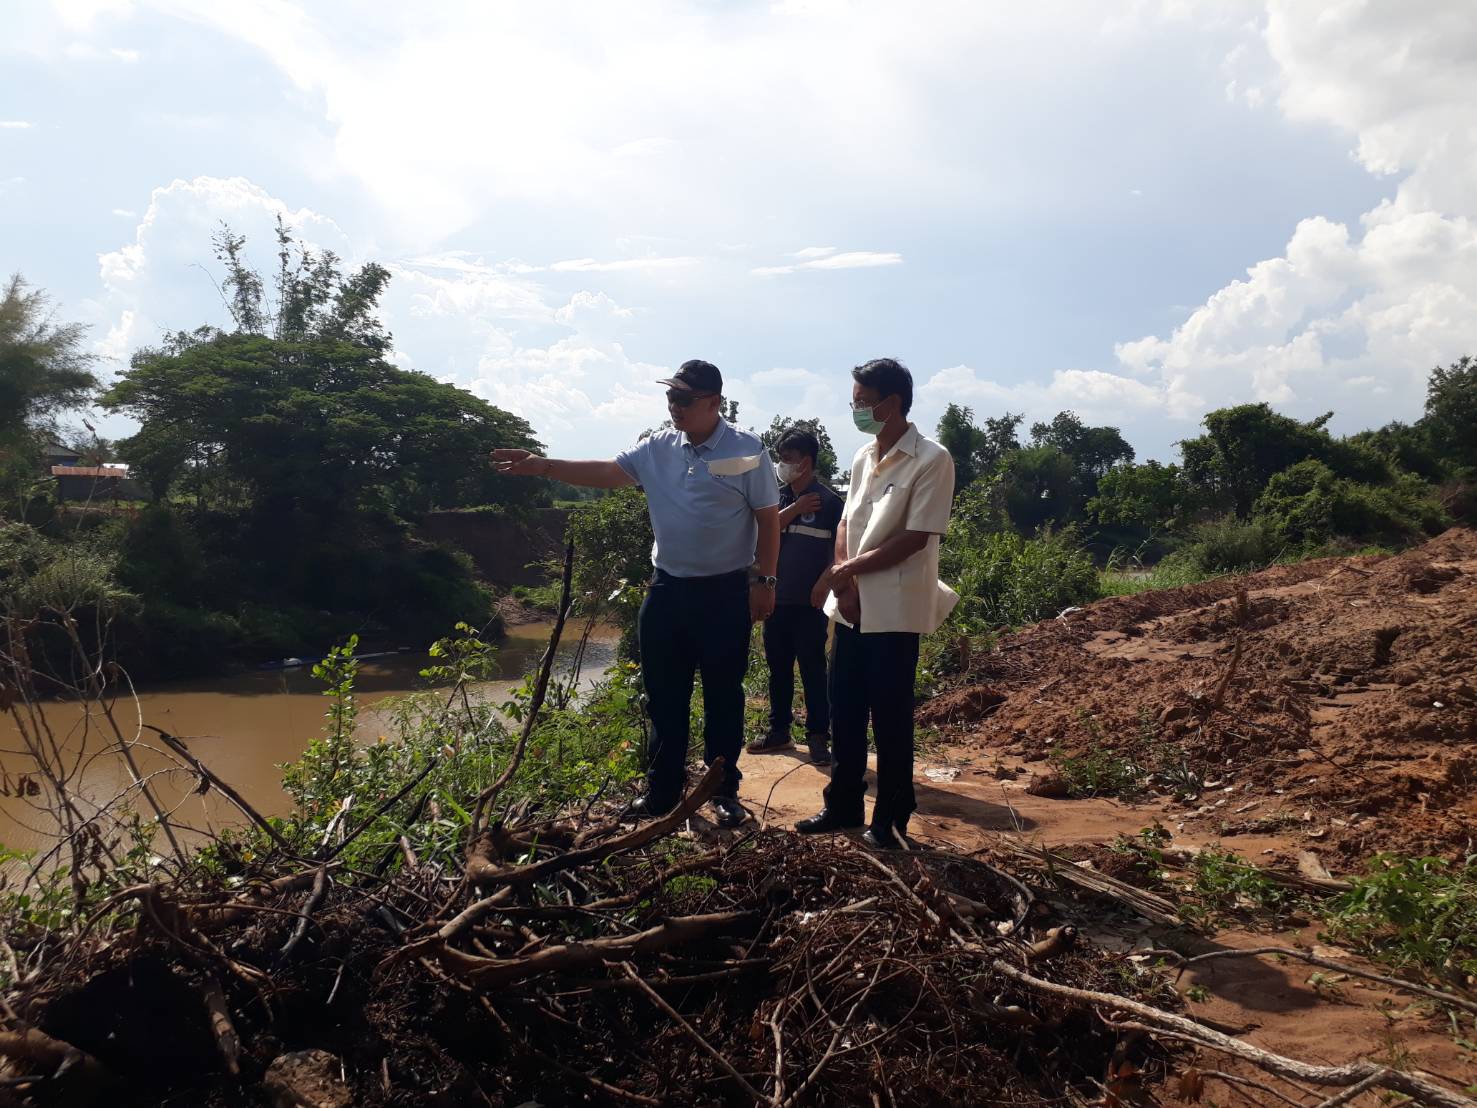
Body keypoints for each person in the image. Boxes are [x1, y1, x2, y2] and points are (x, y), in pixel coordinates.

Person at [492, 360, 780, 829]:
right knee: (662, 695)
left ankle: (723, 790)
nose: (674, 406)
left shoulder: (747, 451)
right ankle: (662, 791)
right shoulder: (658, 448)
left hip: (725, 592)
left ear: (714, 402)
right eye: (670, 397)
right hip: (667, 590)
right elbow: (609, 471)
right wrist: (543, 466)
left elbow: (768, 518)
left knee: (723, 695)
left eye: (684, 398)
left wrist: (765, 582)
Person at [796, 358, 956, 848]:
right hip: (850, 607)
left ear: (893, 402)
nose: (857, 410)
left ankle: (891, 817)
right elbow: (847, 522)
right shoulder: (864, 456)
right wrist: (844, 581)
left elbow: (916, 536)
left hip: (894, 610)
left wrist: (847, 573)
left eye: (863, 401)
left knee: (890, 718)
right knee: (844, 711)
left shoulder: (932, 459)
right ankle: (842, 804)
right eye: (855, 401)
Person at [746, 427, 843, 765]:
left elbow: (841, 551)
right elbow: (763, 532)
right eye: (780, 458)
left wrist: (824, 583)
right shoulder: (777, 498)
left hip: (811, 603)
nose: (781, 465)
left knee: (813, 669)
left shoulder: (830, 503)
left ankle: (818, 737)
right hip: (777, 599)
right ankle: (779, 731)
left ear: (806, 462)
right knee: (779, 669)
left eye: (787, 459)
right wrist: (796, 508)